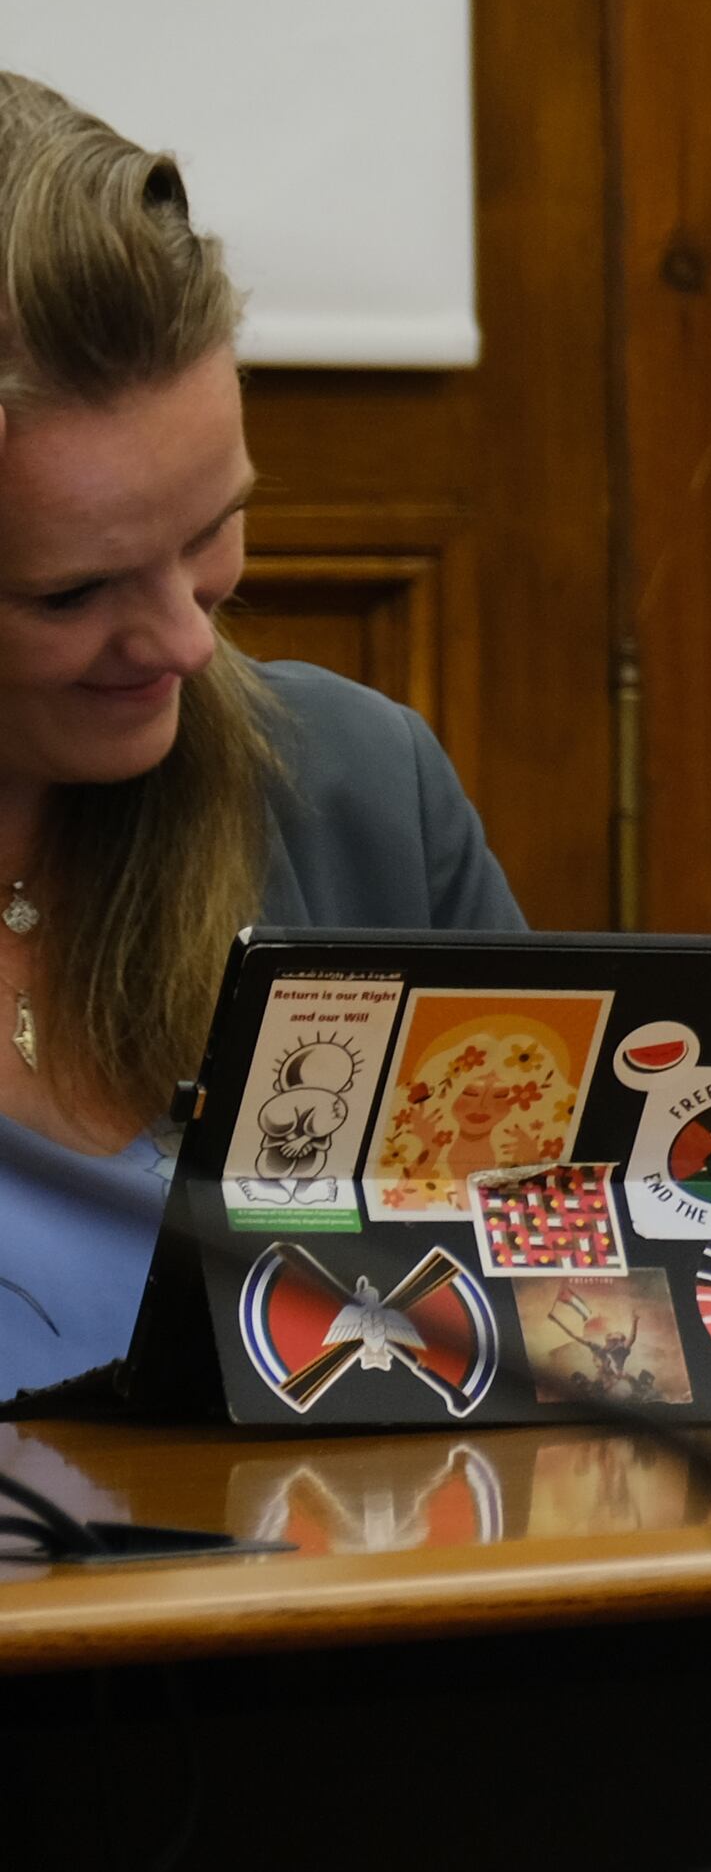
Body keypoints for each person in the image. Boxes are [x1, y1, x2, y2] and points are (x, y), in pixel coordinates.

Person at [0, 75, 525, 1403]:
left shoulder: (357, 795)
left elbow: (547, 1337)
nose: (183, 641)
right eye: (72, 592)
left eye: (209, 531)